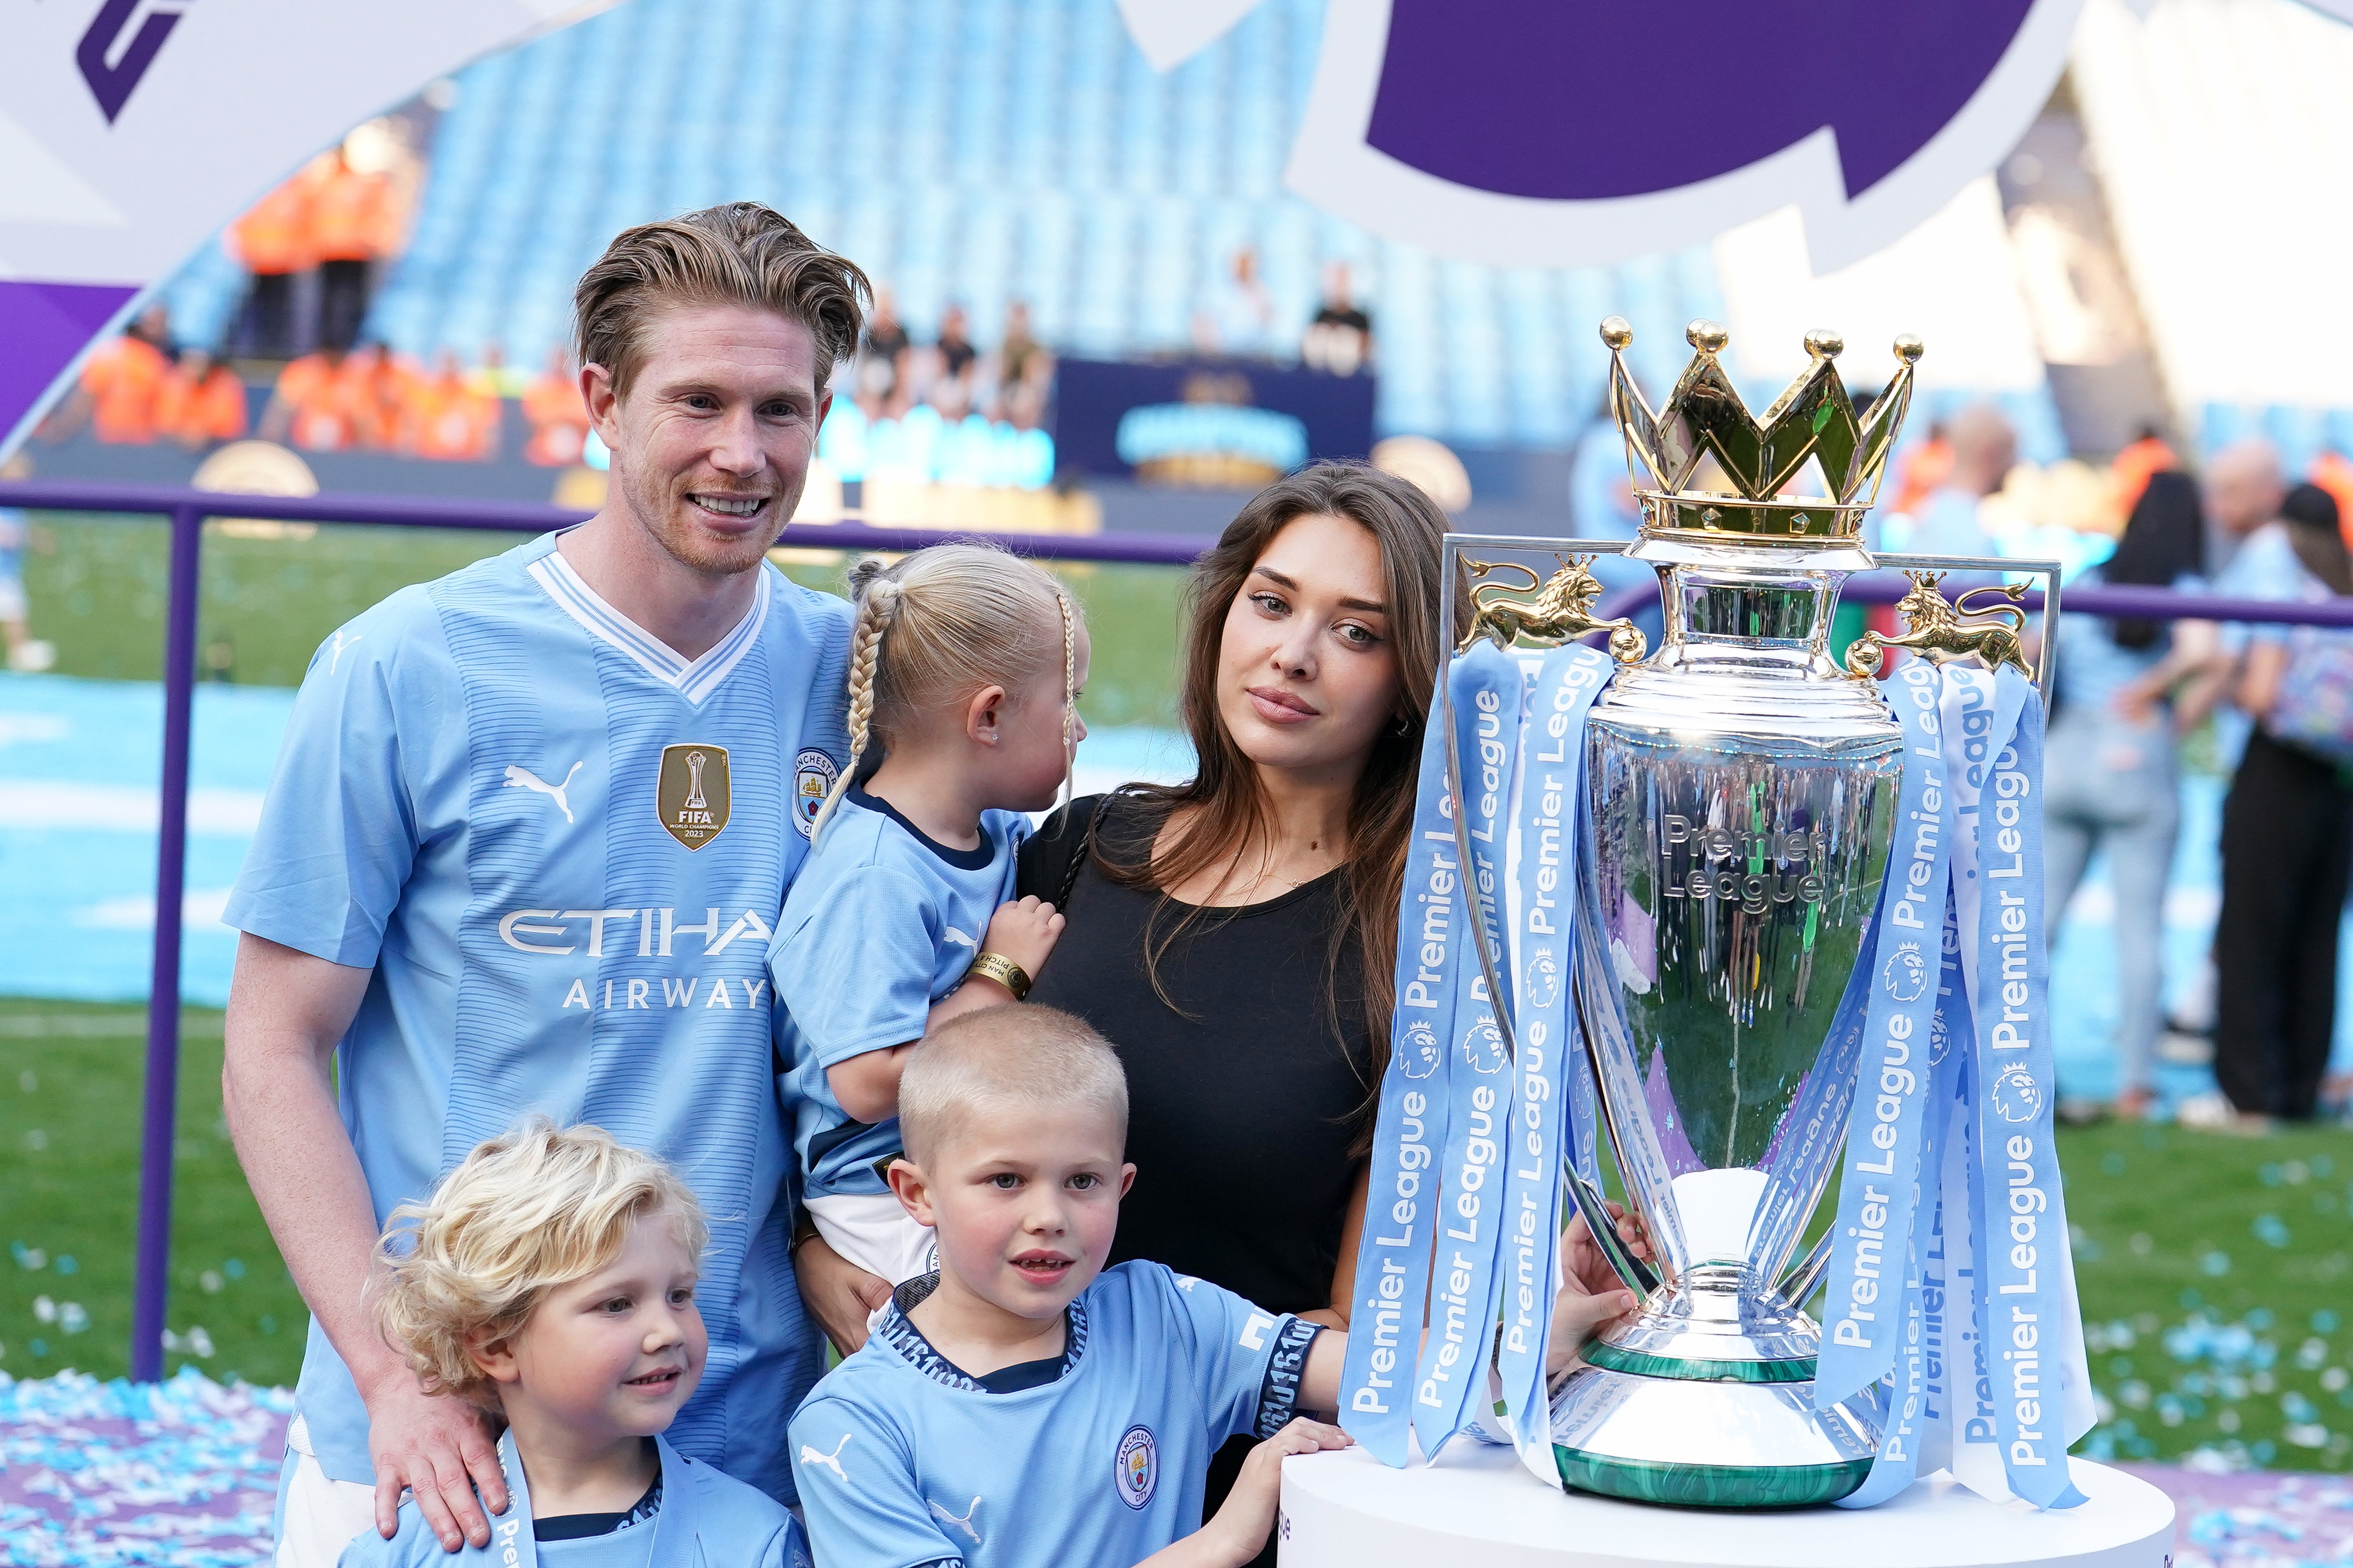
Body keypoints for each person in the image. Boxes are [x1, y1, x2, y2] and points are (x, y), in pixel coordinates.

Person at [222, 202, 869, 1568]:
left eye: (783, 409)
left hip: (736, 1437)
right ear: (601, 399)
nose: (742, 454)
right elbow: (272, 1041)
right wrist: (396, 1377)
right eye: (697, 401)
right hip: (439, 1446)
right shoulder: (406, 664)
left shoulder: (857, 680)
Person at [788, 1006, 1638, 1568]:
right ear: (915, 1192)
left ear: (1122, 1186)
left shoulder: (1161, 1314)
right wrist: (1222, 1536)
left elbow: (1388, 1378)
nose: (1048, 1214)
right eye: (1004, 1179)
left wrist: (1535, 1336)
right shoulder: (849, 1425)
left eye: (1080, 1180)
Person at [771, 544, 1085, 1287]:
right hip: (881, 1197)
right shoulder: (874, 875)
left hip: (951, 1175)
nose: (1077, 730)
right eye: (1067, 701)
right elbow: (868, 1082)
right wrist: (995, 978)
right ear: (990, 715)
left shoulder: (994, 835)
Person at [352, 1121, 810, 1568]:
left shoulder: (753, 1540)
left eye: (679, 1295)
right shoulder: (405, 1553)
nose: (668, 1331)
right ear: (498, 1347)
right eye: (617, 1304)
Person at [2041, 471, 2212, 1119]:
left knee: (2037, 928)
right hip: (2136, 757)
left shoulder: (2090, 578)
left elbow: (2035, 649)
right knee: (2139, 932)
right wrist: (2154, 695)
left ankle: (2025, 1068)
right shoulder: (2185, 587)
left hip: (2068, 755)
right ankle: (2134, 1083)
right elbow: (2206, 650)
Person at [2204, 482, 2353, 1129]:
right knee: (2315, 936)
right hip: (2337, 776)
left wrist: (2230, 686)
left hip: (2277, 768)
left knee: (2249, 932)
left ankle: (2248, 1094)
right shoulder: (2339, 581)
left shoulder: (2276, 567)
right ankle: (2300, 1085)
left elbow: (2261, 690)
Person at [156, 349, 252, 449]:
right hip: (173, 450)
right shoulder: (174, 383)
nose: (196, 367)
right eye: (191, 362)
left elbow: (230, 427)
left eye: (200, 363)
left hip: (216, 449)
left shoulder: (224, 382)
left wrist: (202, 431)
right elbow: (165, 423)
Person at [522, 347, 591, 467]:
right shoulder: (539, 388)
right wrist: (564, 416)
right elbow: (536, 419)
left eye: (563, 360)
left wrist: (560, 417)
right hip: (543, 447)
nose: (560, 364)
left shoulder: (577, 388)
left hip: (575, 447)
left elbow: (586, 418)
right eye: (557, 360)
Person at [1300, 263, 1373, 376]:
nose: (1340, 287)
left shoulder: (1360, 317)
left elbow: (1366, 347)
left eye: (1343, 282)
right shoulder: (1322, 314)